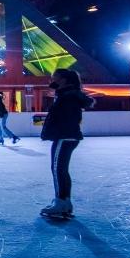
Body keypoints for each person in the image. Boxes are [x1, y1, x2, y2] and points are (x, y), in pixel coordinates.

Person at [39, 68, 95, 218]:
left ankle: (60, 202)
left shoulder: (67, 97)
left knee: (57, 170)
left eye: (54, 77)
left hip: (64, 136)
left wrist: (54, 131)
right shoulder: (68, 94)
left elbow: (66, 118)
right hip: (68, 136)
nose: (51, 80)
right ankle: (65, 202)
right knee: (61, 170)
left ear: (63, 80)